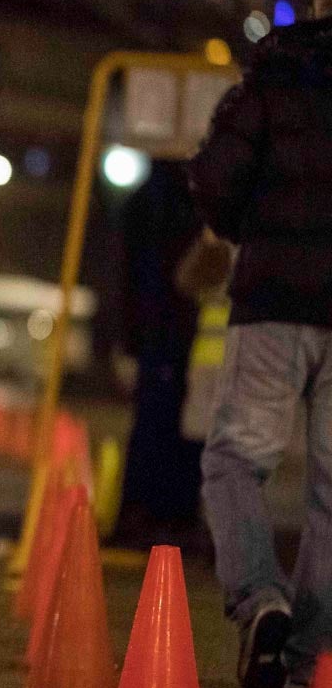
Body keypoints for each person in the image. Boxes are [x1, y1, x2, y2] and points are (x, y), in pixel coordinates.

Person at [190, 0, 332, 688]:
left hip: (275, 297)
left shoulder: (276, 77)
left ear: (320, 3)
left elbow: (216, 178)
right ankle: (313, 663)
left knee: (235, 462)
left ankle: (260, 597)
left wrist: (255, 233)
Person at [113, 161, 205, 547]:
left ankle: (152, 516)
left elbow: (124, 276)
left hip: (164, 338)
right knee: (173, 427)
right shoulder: (186, 203)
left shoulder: (151, 201)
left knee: (164, 424)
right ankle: (165, 517)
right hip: (172, 336)